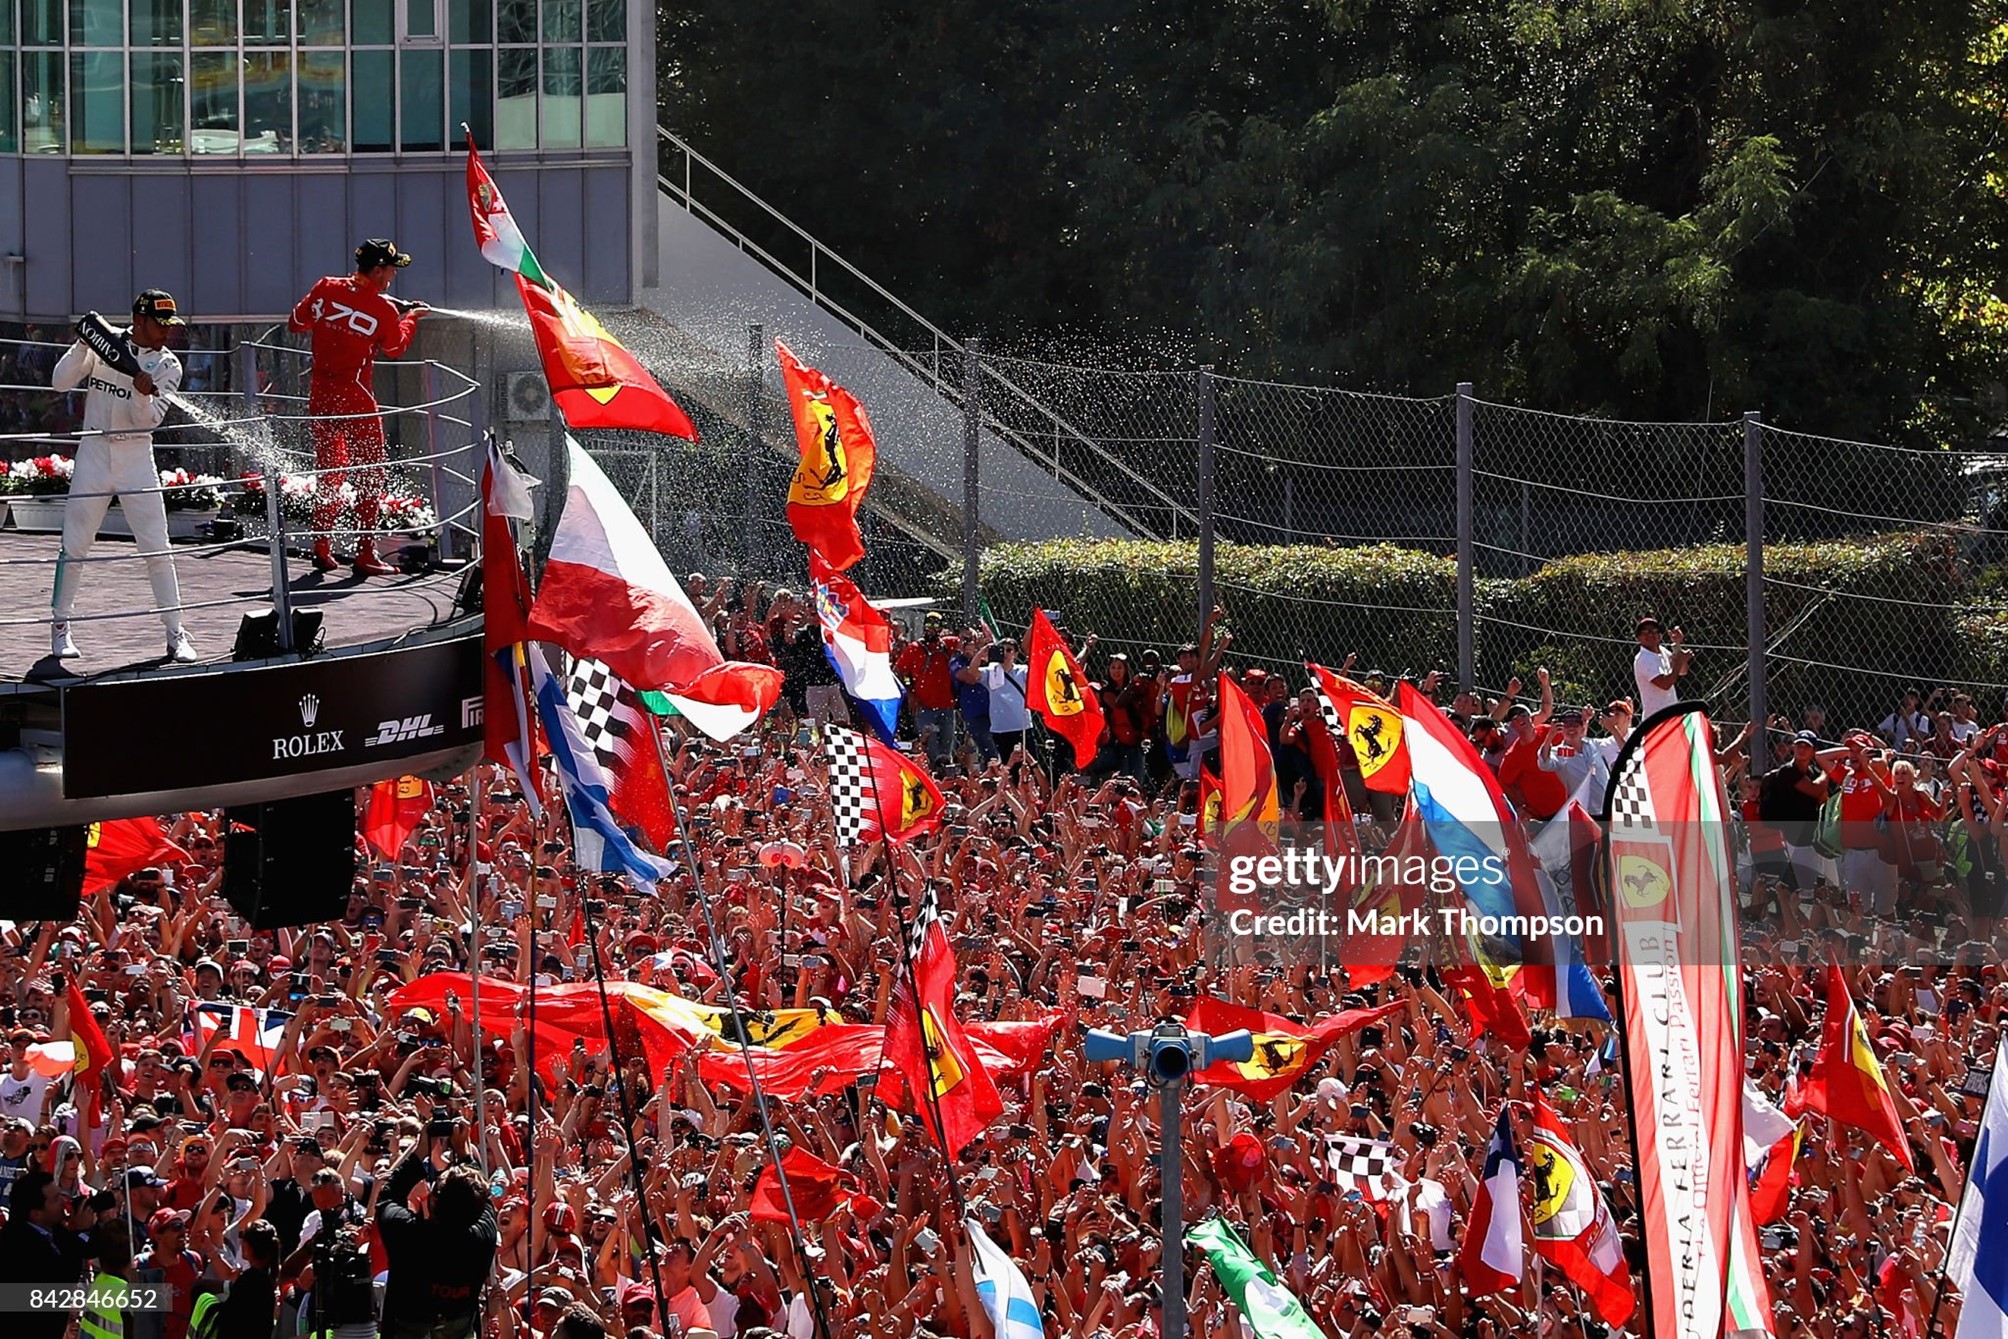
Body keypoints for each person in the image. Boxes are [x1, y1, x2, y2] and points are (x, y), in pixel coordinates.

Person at [47, 289, 195, 663]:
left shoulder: (168, 365)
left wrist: (141, 393)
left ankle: (176, 634)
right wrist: (82, 346)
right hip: (94, 453)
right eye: (160, 325)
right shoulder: (105, 344)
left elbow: (146, 420)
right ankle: (60, 627)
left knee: (157, 548)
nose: (167, 332)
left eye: (170, 325)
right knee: (75, 545)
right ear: (140, 321)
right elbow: (60, 382)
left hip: (136, 458)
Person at [288, 239, 427, 575]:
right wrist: (411, 318)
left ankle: (321, 546)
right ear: (379, 270)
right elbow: (395, 347)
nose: (394, 275)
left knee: (329, 471)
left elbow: (297, 322)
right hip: (356, 396)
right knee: (370, 472)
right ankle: (366, 552)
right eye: (392, 269)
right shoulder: (384, 311)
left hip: (320, 392)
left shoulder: (326, 287)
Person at [375, 1149, 494, 1339]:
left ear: (431, 1200)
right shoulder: (483, 1237)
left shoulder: (409, 1234)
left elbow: (387, 1197)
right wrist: (465, 1153)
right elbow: (486, 1202)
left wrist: (420, 1150)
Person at [1632, 614, 1690, 718]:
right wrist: (1679, 661)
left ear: (1660, 635)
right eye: (1645, 632)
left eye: (1654, 631)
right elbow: (1665, 684)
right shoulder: (1643, 658)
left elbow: (1682, 671)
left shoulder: (1662, 651)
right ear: (1638, 638)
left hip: (1671, 716)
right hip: (1655, 719)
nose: (1650, 634)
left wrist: (1677, 645)